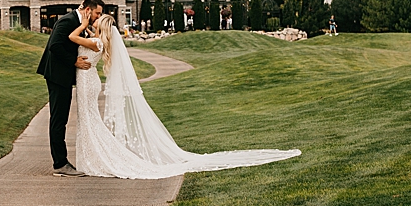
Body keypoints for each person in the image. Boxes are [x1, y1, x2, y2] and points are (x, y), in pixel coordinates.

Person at [69, 13, 301, 179]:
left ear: (103, 27)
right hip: (87, 79)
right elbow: (90, 38)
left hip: (88, 82)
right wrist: (91, 24)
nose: (94, 20)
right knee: (89, 121)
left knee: (90, 121)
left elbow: (72, 37)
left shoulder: (96, 40)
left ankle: (97, 156)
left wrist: (83, 22)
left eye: (97, 19)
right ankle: (94, 155)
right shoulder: (99, 40)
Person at [35, 0, 104, 177]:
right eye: (97, 13)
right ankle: (60, 164)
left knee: (61, 118)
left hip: (63, 76)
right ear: (88, 10)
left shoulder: (80, 23)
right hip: (57, 76)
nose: (98, 17)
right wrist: (74, 61)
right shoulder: (68, 21)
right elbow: (55, 46)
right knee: (59, 119)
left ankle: (61, 162)